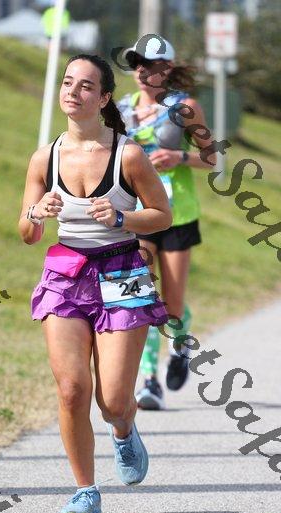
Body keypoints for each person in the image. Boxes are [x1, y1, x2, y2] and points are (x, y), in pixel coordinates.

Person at [18, 54, 172, 513]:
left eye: (86, 86)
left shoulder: (128, 155)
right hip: (66, 274)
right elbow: (27, 233)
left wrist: (122, 217)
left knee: (113, 401)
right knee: (71, 390)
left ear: (104, 97)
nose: (73, 91)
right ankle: (85, 493)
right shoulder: (45, 157)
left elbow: (162, 216)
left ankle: (123, 431)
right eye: (68, 82)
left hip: (123, 270)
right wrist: (37, 213)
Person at [117, 35, 215, 411]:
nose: (143, 72)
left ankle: (180, 343)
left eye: (151, 65)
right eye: (137, 64)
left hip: (178, 215)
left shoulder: (185, 107)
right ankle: (148, 380)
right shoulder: (121, 110)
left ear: (167, 69)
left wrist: (179, 157)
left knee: (172, 306)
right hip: (139, 214)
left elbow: (211, 158)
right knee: (143, 295)